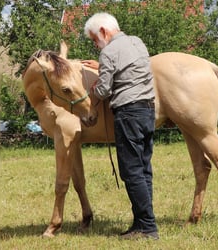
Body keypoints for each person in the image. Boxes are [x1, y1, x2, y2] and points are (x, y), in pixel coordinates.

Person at [82, 12, 158, 240]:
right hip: (147, 111)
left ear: (104, 31)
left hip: (128, 114)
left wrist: (91, 90)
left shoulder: (109, 52)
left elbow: (104, 90)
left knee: (131, 171)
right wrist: (105, 65)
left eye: (95, 39)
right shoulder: (137, 42)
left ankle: (147, 227)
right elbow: (129, 67)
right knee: (144, 169)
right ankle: (142, 221)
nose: (96, 45)